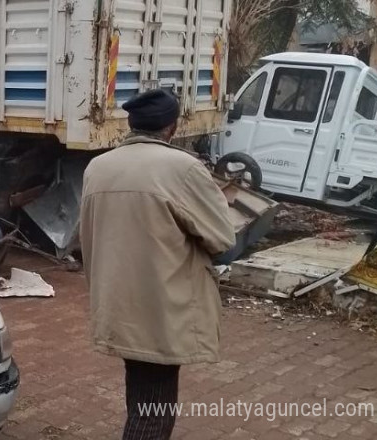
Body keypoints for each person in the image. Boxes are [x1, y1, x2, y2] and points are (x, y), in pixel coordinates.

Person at [80, 89, 235, 439]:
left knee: (141, 398)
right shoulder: (183, 169)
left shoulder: (97, 167)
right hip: (161, 308)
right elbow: (222, 238)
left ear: (132, 124)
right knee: (152, 414)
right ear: (171, 126)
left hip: (116, 303)